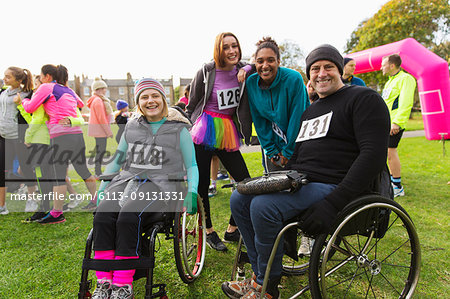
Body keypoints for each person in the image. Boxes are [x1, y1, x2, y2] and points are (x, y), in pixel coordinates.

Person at [222, 44, 390, 299]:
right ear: (309, 75)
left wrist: (334, 203)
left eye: (328, 67)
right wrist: (280, 181)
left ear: (341, 70)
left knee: (263, 207)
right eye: (315, 69)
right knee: (240, 199)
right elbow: (298, 155)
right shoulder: (311, 111)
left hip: (336, 184)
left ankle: (268, 286)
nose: (321, 74)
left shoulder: (364, 99)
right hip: (302, 180)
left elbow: (374, 156)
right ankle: (259, 275)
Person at [90, 78, 198, 299]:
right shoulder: (131, 126)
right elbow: (118, 159)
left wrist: (193, 191)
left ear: (163, 99)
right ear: (138, 102)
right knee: (102, 215)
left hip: (162, 184)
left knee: (128, 217)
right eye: (145, 97)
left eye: (155, 95)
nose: (151, 101)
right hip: (128, 180)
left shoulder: (179, 129)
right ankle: (104, 281)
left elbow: (192, 165)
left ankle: (122, 284)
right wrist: (105, 183)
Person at [186, 32, 253, 251]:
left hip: (227, 129)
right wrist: (190, 127)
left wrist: (247, 68)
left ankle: (232, 229)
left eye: (235, 46)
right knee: (203, 183)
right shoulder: (206, 71)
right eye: (226, 47)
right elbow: (193, 103)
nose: (232, 51)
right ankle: (209, 231)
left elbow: (255, 64)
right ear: (218, 50)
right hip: (204, 129)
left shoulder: (242, 68)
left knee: (245, 181)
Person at [22, 64, 97, 224]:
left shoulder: (46, 87)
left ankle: (57, 214)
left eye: (41, 77)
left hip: (60, 135)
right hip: (77, 134)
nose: (40, 80)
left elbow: (30, 107)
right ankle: (96, 201)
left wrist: (23, 100)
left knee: (58, 175)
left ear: (48, 76)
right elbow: (80, 104)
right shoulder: (68, 90)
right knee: (82, 169)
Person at [244, 37, 310, 172]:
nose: (265, 65)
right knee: (274, 187)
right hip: (272, 148)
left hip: (298, 143)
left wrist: (288, 151)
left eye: (270, 60)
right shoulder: (251, 83)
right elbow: (259, 120)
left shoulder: (293, 79)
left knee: (301, 185)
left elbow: (297, 118)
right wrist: (271, 151)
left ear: (279, 62)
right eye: (260, 61)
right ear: (255, 64)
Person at [381, 54, 416, 197]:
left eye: (384, 64)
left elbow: (406, 102)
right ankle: (390, 181)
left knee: (391, 152)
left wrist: (397, 122)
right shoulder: (389, 81)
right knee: (385, 153)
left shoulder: (406, 79)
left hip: (394, 124)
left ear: (392, 65)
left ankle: (397, 186)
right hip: (385, 123)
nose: (381, 67)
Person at [0, 66, 34, 215]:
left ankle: (32, 199)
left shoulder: (27, 94)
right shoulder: (2, 93)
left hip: (20, 138)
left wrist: (20, 103)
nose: (4, 79)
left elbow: (29, 117)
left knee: (26, 170)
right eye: (4, 76)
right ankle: (2, 206)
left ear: (19, 80)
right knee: (3, 172)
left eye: (8, 77)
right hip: (3, 136)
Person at [87, 77, 113, 178]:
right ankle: (98, 173)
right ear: (99, 89)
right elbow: (101, 118)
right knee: (100, 151)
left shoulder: (97, 100)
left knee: (100, 151)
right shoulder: (98, 101)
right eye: (104, 88)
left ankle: (98, 171)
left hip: (99, 130)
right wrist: (109, 132)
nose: (105, 90)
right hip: (100, 131)